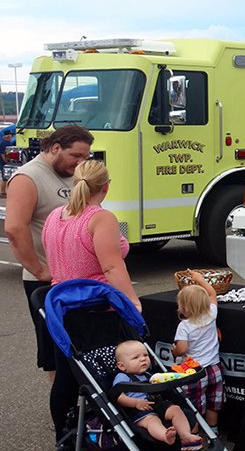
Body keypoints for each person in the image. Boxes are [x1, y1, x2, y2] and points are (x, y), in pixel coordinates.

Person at [42, 158, 145, 444]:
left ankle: (63, 433)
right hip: (96, 309)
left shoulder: (54, 216)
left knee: (67, 374)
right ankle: (117, 431)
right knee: (109, 373)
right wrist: (133, 302)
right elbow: (112, 268)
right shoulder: (100, 218)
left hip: (61, 309)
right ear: (106, 186)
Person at [4, 124, 93, 385]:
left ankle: (84, 406)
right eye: (75, 156)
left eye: (84, 157)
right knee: (54, 351)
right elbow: (14, 229)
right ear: (55, 148)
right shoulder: (28, 177)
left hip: (75, 277)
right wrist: (40, 270)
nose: (79, 163)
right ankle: (62, 413)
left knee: (80, 345)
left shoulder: (72, 174)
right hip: (45, 280)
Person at [112, 340, 204, 448]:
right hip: (138, 411)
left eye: (145, 355)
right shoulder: (123, 377)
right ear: (122, 366)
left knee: (175, 409)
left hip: (157, 404)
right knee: (152, 420)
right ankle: (165, 436)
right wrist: (135, 403)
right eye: (136, 358)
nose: (143, 359)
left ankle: (185, 436)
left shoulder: (148, 375)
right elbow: (118, 396)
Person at [172, 270, 224, 436]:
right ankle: (213, 431)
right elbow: (213, 293)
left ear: (186, 308)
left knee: (193, 405)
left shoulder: (185, 326)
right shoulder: (211, 313)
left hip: (194, 371)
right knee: (212, 402)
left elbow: (182, 349)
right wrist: (200, 280)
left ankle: (193, 435)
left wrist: (174, 351)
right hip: (214, 368)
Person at [0, 123, 16, 197]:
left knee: (6, 177)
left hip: (6, 160)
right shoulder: (4, 143)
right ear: (8, 136)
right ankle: (2, 192)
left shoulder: (7, 143)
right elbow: (3, 154)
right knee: (4, 177)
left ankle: (4, 191)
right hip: (3, 162)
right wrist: (6, 161)